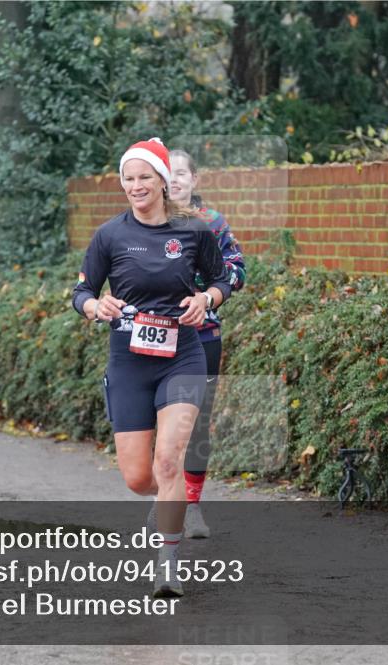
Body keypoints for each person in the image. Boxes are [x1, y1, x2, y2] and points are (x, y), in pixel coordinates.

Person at [71, 138, 231, 598]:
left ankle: (168, 565)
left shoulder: (194, 231)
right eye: (129, 178)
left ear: (163, 181)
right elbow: (81, 291)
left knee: (169, 461)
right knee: (139, 477)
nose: (136, 186)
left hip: (182, 354)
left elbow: (222, 278)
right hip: (128, 360)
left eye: (145, 177)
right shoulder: (110, 235)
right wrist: (94, 307)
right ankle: (165, 506)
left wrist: (206, 299)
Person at [167, 149, 245, 539]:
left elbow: (237, 270)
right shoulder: (145, 220)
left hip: (202, 336)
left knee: (196, 424)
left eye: (182, 173)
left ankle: (192, 508)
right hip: (155, 337)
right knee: (158, 422)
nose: (175, 179)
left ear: (194, 180)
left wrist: (207, 295)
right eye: (168, 173)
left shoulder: (211, 222)